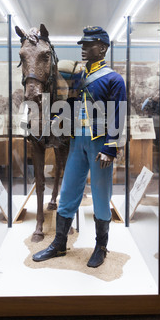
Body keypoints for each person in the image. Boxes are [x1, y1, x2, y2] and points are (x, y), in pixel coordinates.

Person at [32, 26, 126, 268]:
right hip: (77, 142)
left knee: (101, 196)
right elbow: (76, 103)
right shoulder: (81, 76)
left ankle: (101, 246)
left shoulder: (114, 79)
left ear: (103, 48)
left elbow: (118, 114)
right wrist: (59, 117)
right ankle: (60, 244)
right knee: (68, 193)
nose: (83, 48)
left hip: (99, 145)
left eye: (89, 44)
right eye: (83, 45)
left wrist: (111, 147)